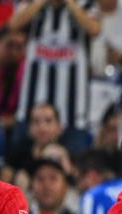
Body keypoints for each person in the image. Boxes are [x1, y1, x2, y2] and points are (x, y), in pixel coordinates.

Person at [10, 0, 103, 153]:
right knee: (20, 162)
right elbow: (14, 24)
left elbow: (94, 29)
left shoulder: (86, 4)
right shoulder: (32, 3)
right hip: (31, 106)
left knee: (72, 166)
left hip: (73, 111)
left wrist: (70, 3)